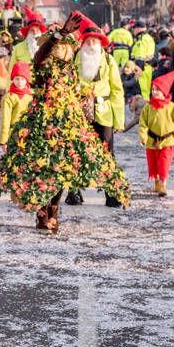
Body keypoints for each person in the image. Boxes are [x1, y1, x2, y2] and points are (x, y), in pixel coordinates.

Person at [0, 12, 130, 234]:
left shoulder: (73, 66)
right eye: (62, 45)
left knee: (63, 165)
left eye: (69, 45)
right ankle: (43, 212)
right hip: (44, 120)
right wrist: (58, 35)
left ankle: (53, 208)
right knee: (43, 166)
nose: (66, 49)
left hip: (69, 120)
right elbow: (39, 58)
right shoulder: (44, 67)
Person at [65, 15, 125, 207]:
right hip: (80, 113)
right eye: (88, 40)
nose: (91, 44)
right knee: (75, 152)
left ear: (100, 43)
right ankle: (73, 191)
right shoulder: (76, 59)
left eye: (94, 40)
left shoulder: (108, 60)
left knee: (108, 155)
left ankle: (112, 193)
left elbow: (117, 91)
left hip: (104, 113)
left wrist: (119, 121)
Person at [139, 70, 174, 196]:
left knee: (164, 163)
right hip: (152, 141)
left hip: (167, 141)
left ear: (164, 92)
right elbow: (143, 123)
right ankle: (156, 181)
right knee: (154, 164)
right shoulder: (148, 107)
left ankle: (162, 184)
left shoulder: (172, 107)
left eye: (158, 90)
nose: (154, 92)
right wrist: (143, 136)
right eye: (153, 89)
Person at [0, 62, 32, 151]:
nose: (20, 82)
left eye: (22, 79)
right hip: (13, 135)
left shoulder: (31, 96)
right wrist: (4, 141)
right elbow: (5, 120)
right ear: (12, 79)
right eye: (17, 79)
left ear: (27, 80)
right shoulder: (8, 97)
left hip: (29, 134)